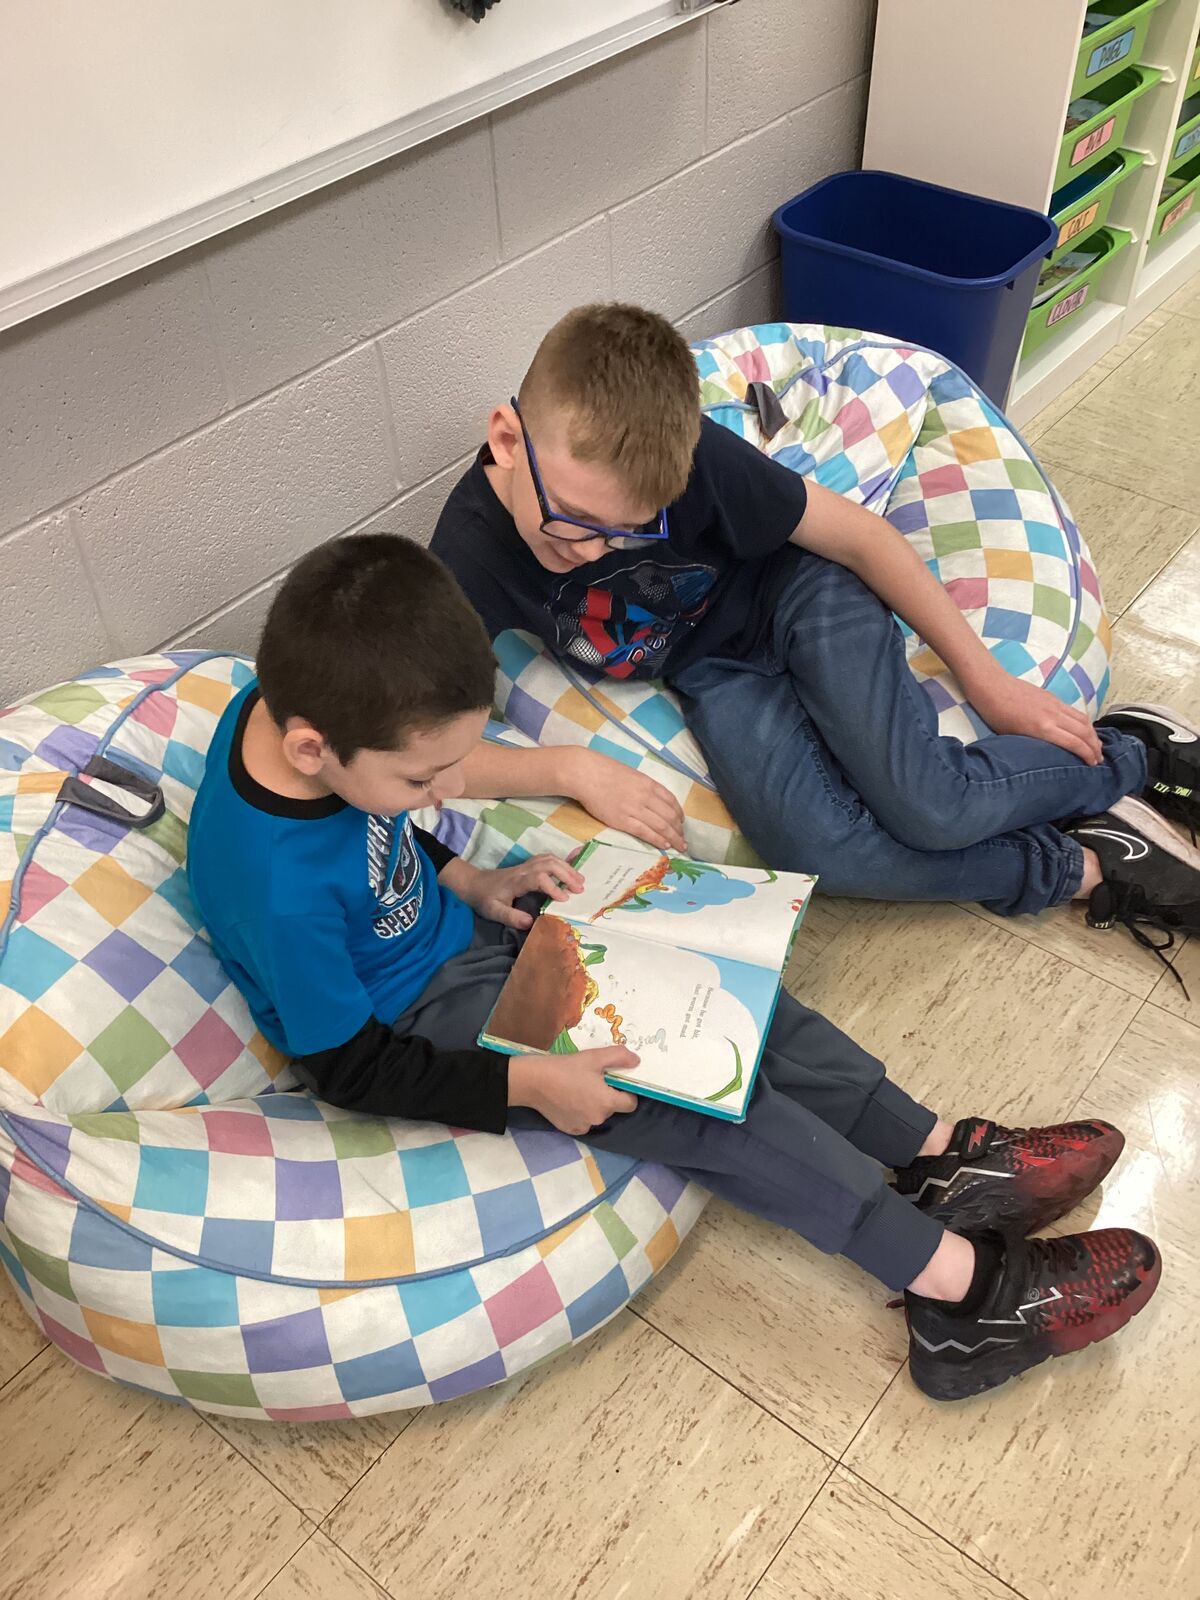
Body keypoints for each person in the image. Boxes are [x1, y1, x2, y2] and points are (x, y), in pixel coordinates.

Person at [187, 535, 1161, 1402]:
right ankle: (961, 1295)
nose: (447, 791)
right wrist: (533, 1080)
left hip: (469, 933)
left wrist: (470, 875)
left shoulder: (301, 713)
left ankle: (935, 1150)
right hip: (426, 1020)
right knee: (703, 1095)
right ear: (315, 748)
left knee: (729, 991)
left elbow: (379, 834)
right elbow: (349, 1066)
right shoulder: (272, 882)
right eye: (423, 779)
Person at [429, 303, 1200, 983]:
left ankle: (1137, 754)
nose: (598, 550)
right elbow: (425, 755)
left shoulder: (697, 459)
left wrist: (991, 683)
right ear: (505, 437)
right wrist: (573, 767)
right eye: (575, 521)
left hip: (799, 591)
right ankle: (1080, 864)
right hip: (715, 670)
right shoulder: (463, 555)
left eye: (634, 530)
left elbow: (862, 539)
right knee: (821, 854)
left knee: (931, 803)